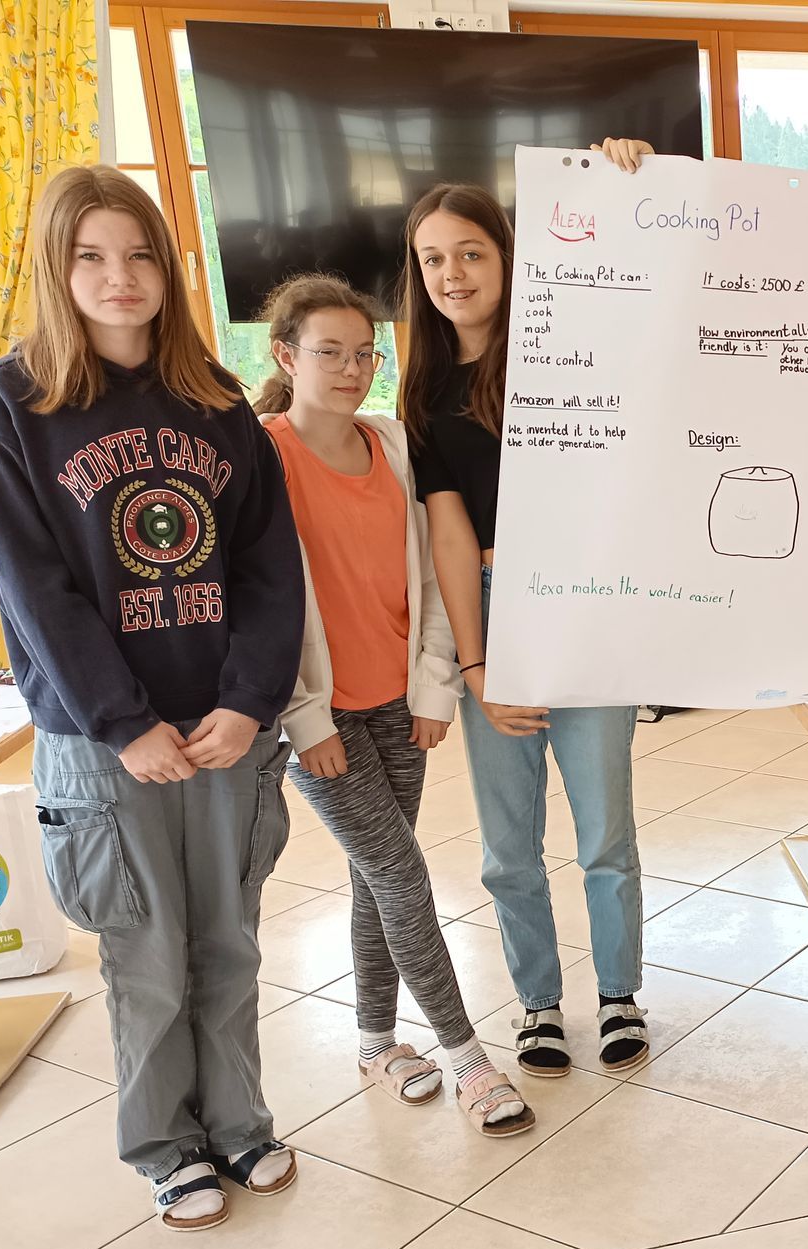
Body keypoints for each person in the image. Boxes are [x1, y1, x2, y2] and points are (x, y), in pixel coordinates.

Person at [0, 164, 304, 1230]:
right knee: (145, 952)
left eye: (140, 254)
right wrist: (122, 721)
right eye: (91, 256)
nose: (120, 276)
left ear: (168, 266)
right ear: (56, 268)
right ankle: (167, 1145)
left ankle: (240, 1122)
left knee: (229, 938)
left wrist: (249, 700)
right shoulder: (13, 401)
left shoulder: (217, 397)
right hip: (105, 738)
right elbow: (33, 587)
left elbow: (267, 564)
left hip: (222, 729)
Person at [400, 138, 658, 1078]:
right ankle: (538, 1003)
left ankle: (621, 993)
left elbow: (640, 286)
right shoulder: (424, 392)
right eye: (433, 258)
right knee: (508, 843)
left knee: (605, 831)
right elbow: (449, 536)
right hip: (492, 609)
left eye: (471, 251)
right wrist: (477, 667)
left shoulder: (566, 346)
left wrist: (622, 177)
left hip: (586, 604)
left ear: (510, 256)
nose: (452, 273)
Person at [256, 273, 534, 1137]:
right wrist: (304, 721)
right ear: (286, 356)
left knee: (376, 878)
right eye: (329, 352)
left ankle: (376, 1043)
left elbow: (434, 581)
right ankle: (468, 1058)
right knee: (404, 877)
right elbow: (255, 601)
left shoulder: (393, 446)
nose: (351, 369)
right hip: (321, 716)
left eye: (364, 354)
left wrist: (435, 684)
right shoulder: (261, 455)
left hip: (397, 703)